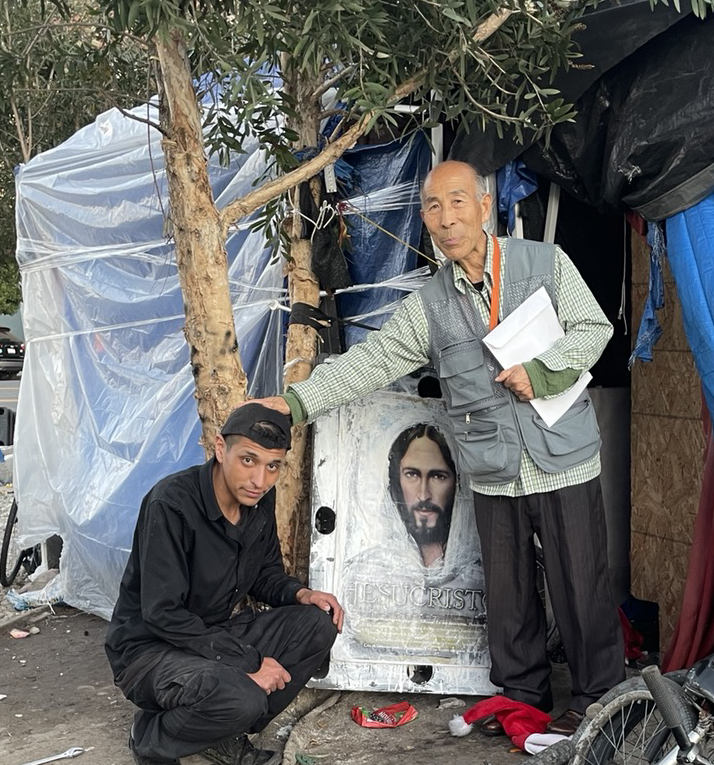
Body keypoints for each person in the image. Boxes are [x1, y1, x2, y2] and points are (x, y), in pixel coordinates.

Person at [258, 160, 625, 735]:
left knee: (582, 585)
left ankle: (600, 702)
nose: (447, 218)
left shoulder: (544, 264)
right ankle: (523, 698)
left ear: (484, 206)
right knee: (508, 596)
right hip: (493, 467)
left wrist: (542, 370)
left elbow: (593, 329)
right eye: (433, 206)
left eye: (457, 202)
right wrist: (295, 403)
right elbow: (372, 362)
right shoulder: (429, 305)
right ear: (425, 219)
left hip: (561, 458)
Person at [104, 403, 344, 765]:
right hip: (149, 651)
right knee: (243, 695)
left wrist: (300, 594)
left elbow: (264, 573)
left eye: (272, 466)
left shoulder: (257, 500)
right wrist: (249, 662)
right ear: (220, 448)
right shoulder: (171, 503)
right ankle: (152, 745)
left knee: (317, 624)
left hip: (210, 637)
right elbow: (162, 614)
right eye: (248, 460)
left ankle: (221, 732)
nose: (259, 479)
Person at [389, 422, 457, 569]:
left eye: (438, 476)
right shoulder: (372, 565)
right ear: (397, 480)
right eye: (412, 474)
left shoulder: (476, 566)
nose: (424, 495)